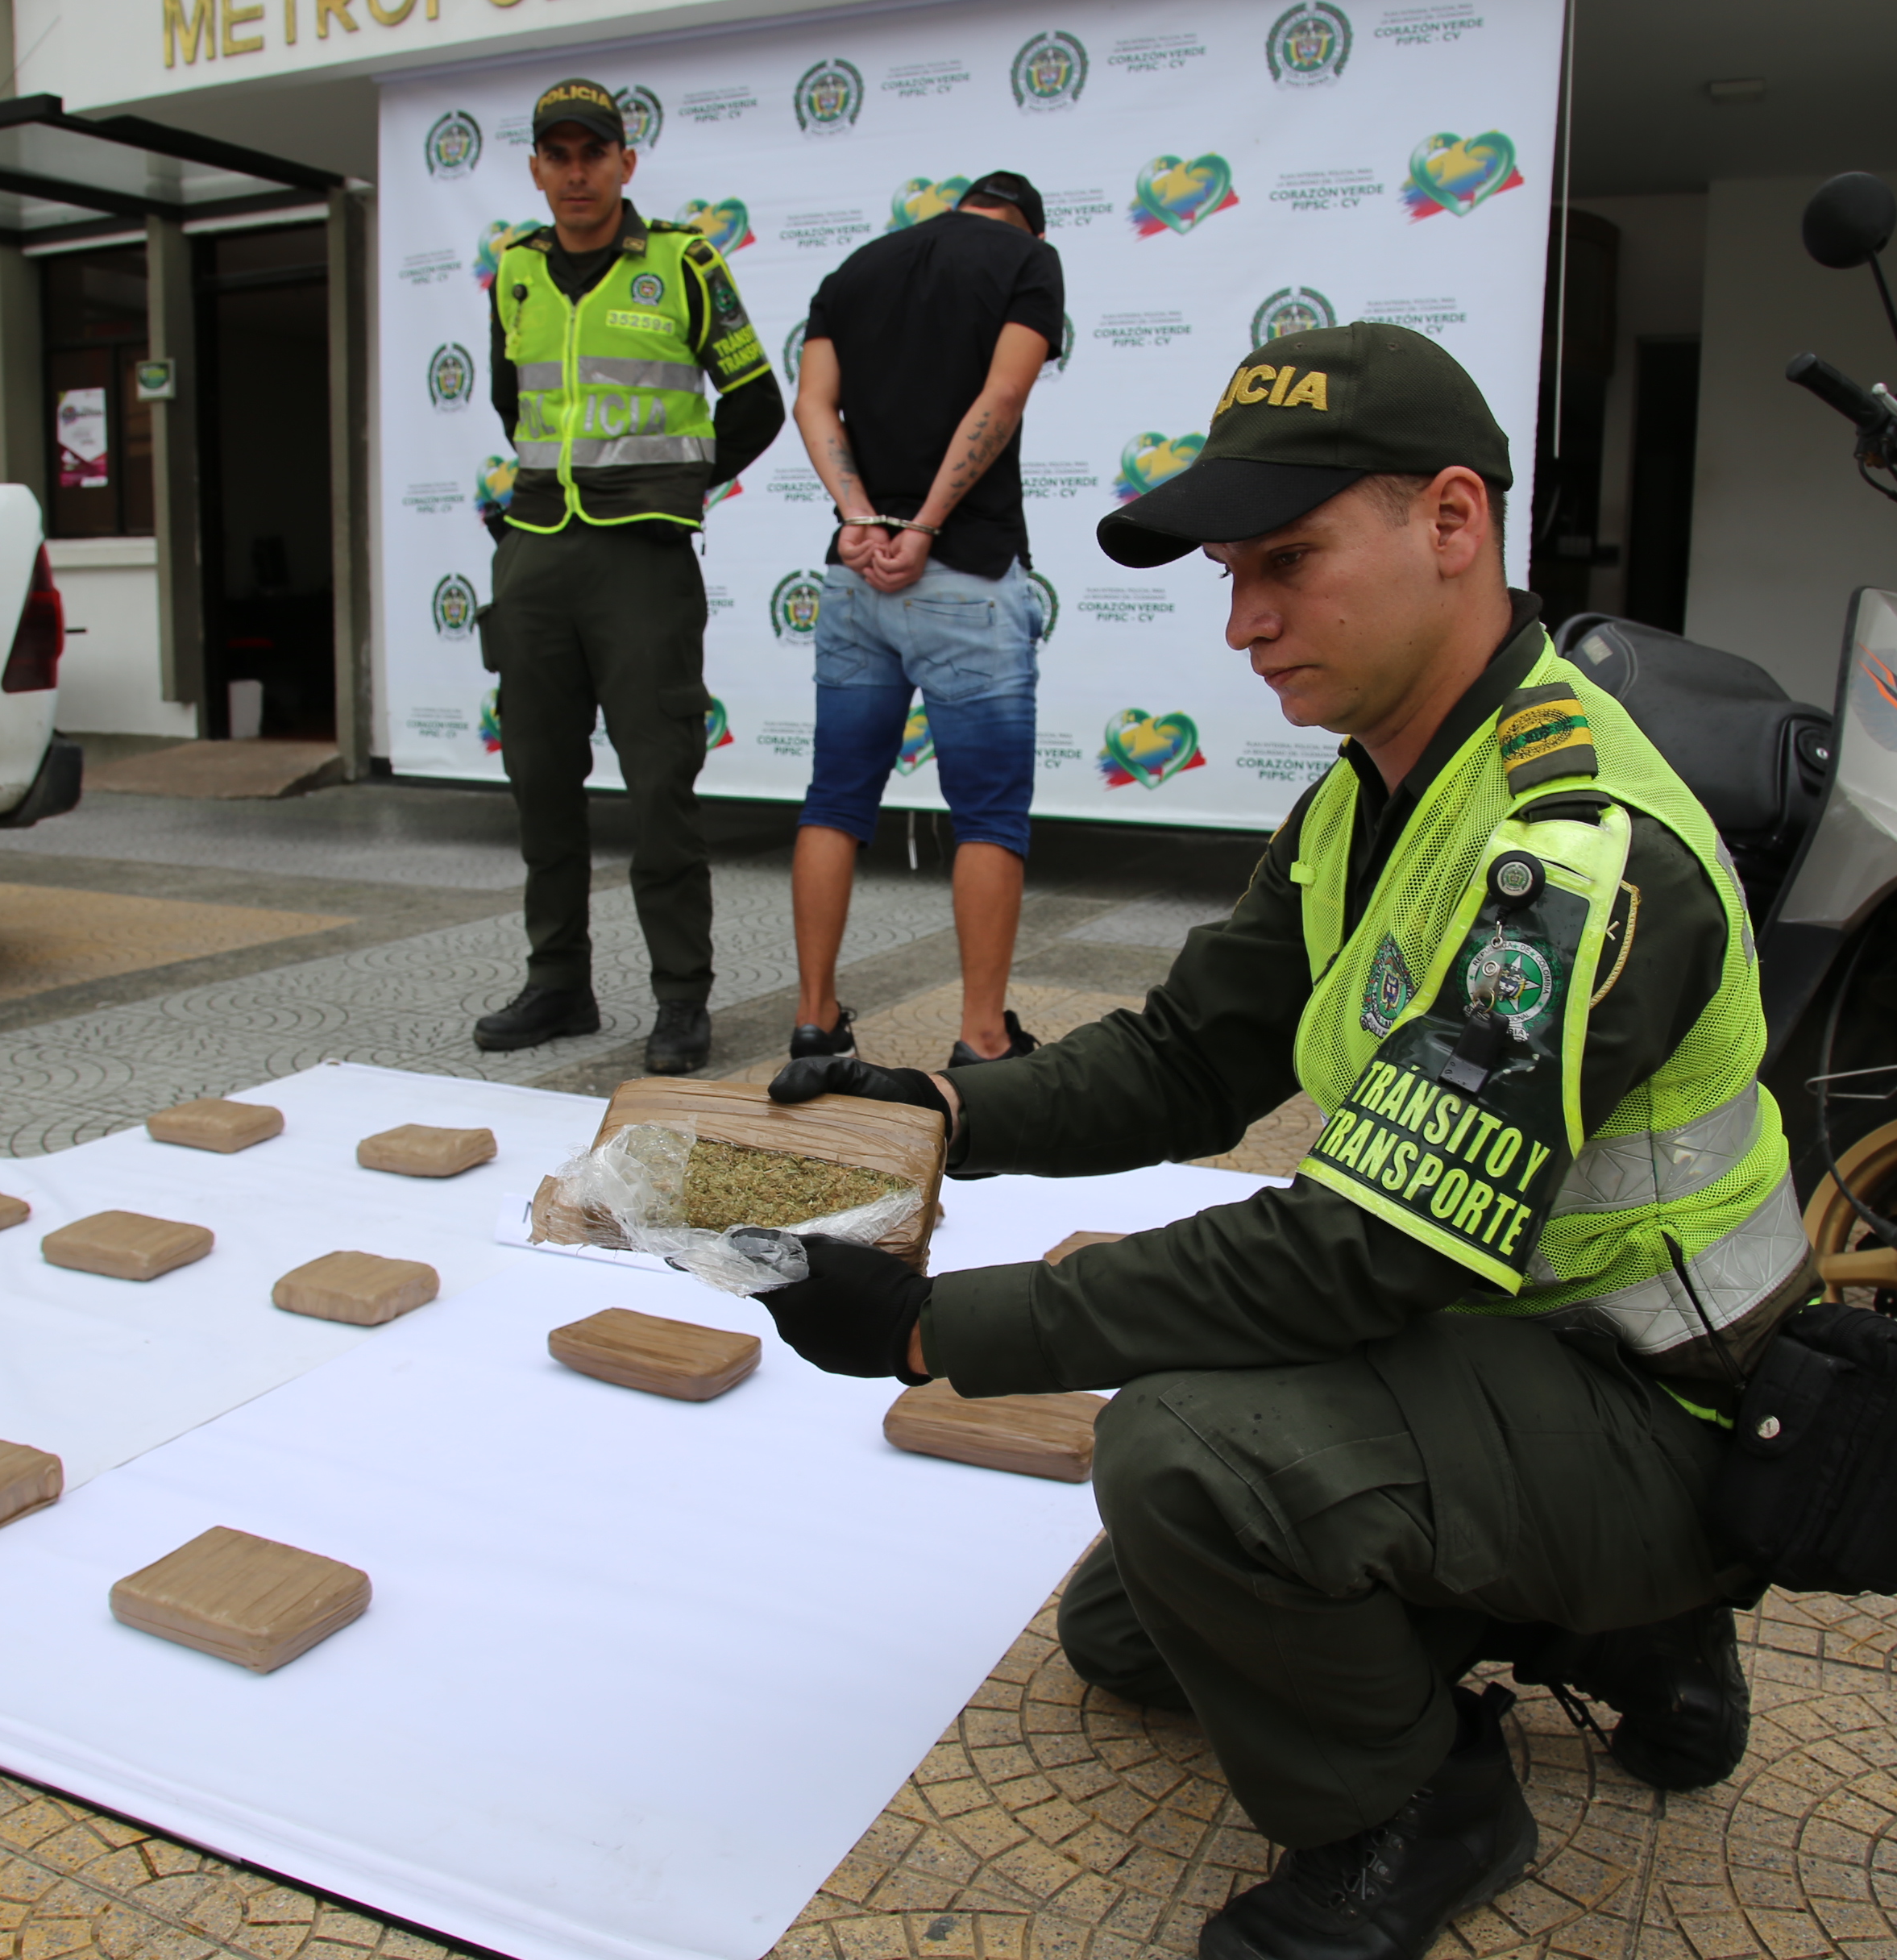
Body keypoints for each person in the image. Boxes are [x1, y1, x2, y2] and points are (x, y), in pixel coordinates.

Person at [741, 326, 1812, 1960]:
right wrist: (941, 1107)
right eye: (1233, 573)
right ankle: (1603, 1626)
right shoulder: (1374, 788)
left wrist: (928, 1327)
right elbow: (1191, 1058)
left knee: (1186, 1463)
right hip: (1491, 1346)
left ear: (1453, 521)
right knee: (1134, 1631)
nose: (1242, 624)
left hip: (1654, 1402)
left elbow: (1360, 1251)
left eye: (1289, 564)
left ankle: (1434, 1802)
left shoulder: (1575, 850)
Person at [471, 77, 784, 1075]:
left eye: (592, 154)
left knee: (660, 789)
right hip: (533, 553)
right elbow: (508, 399)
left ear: (625, 165)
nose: (575, 172)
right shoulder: (513, 272)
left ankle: (680, 998)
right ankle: (558, 981)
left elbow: (757, 402)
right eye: (557, 155)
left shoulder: (685, 263)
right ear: (536, 169)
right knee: (540, 785)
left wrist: (676, 485)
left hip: (642, 558)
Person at [787, 170, 1065, 1069]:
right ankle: (983, 1036)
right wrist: (928, 523)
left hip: (856, 575)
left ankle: (815, 1020)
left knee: (835, 799)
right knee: (989, 818)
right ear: (1024, 222)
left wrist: (862, 514)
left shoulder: (857, 269)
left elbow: (812, 404)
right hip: (967, 571)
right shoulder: (1030, 261)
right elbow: (1003, 398)